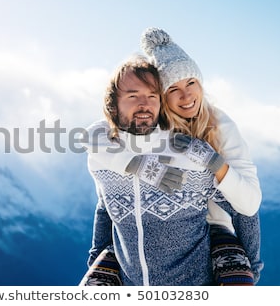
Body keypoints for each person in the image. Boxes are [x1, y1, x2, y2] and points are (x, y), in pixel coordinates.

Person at [80, 28, 263, 285]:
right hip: (138, 244)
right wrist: (138, 165)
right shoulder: (135, 136)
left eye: (191, 83)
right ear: (164, 99)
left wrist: (253, 264)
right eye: (172, 89)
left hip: (215, 224)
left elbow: (247, 205)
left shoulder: (220, 126)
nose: (186, 96)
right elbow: (102, 183)